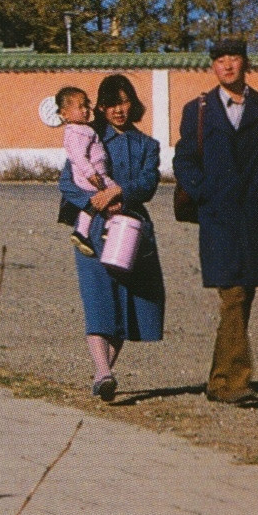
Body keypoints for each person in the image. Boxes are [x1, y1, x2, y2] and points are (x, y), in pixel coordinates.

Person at [173, 38, 258, 407]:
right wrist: (203, 192)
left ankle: (219, 379)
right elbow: (184, 159)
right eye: (219, 59)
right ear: (212, 66)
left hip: (255, 215)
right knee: (233, 292)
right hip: (218, 217)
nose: (227, 65)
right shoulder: (198, 109)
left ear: (246, 64)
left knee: (243, 296)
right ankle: (234, 381)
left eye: (234, 58)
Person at [58, 73, 164, 402]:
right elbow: (67, 181)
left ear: (133, 104)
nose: (118, 110)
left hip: (131, 227)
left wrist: (119, 192)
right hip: (93, 230)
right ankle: (104, 371)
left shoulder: (148, 145)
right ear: (101, 108)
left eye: (124, 101)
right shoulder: (87, 137)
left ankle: (103, 372)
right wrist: (95, 203)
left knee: (129, 300)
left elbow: (148, 183)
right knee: (99, 298)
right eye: (110, 104)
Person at [54, 85, 110, 255]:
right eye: (80, 107)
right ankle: (109, 227)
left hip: (94, 173)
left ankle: (82, 233)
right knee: (111, 193)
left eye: (86, 105)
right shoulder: (76, 132)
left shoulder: (83, 129)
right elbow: (79, 157)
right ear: (65, 114)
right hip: (92, 176)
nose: (85, 110)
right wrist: (91, 174)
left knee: (93, 205)